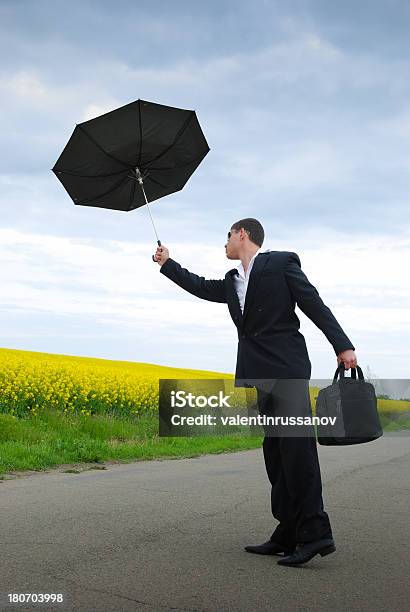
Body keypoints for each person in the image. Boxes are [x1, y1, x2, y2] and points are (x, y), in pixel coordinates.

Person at [153, 218, 357, 567]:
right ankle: (288, 530)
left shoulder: (280, 263)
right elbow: (199, 286)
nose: (225, 243)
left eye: (227, 236)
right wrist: (167, 263)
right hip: (259, 374)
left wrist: (343, 346)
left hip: (288, 370)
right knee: (275, 453)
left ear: (242, 234)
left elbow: (313, 303)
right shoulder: (232, 282)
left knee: (298, 452)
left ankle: (316, 533)